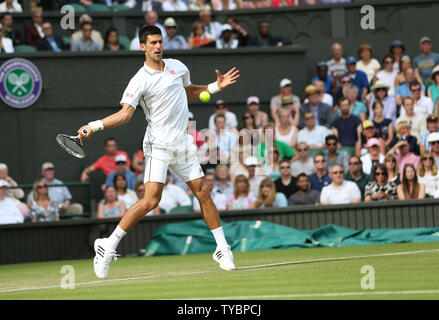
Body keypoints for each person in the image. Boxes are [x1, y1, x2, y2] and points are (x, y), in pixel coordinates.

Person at [77, 25, 239, 277]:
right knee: (152, 200)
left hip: (182, 143)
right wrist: (94, 126)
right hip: (158, 145)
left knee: (203, 191)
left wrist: (215, 87)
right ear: (143, 46)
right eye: (152, 42)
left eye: (160, 42)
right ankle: (108, 245)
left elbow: (191, 92)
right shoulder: (139, 80)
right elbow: (125, 114)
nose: (158, 46)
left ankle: (222, 249)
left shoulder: (177, 67)